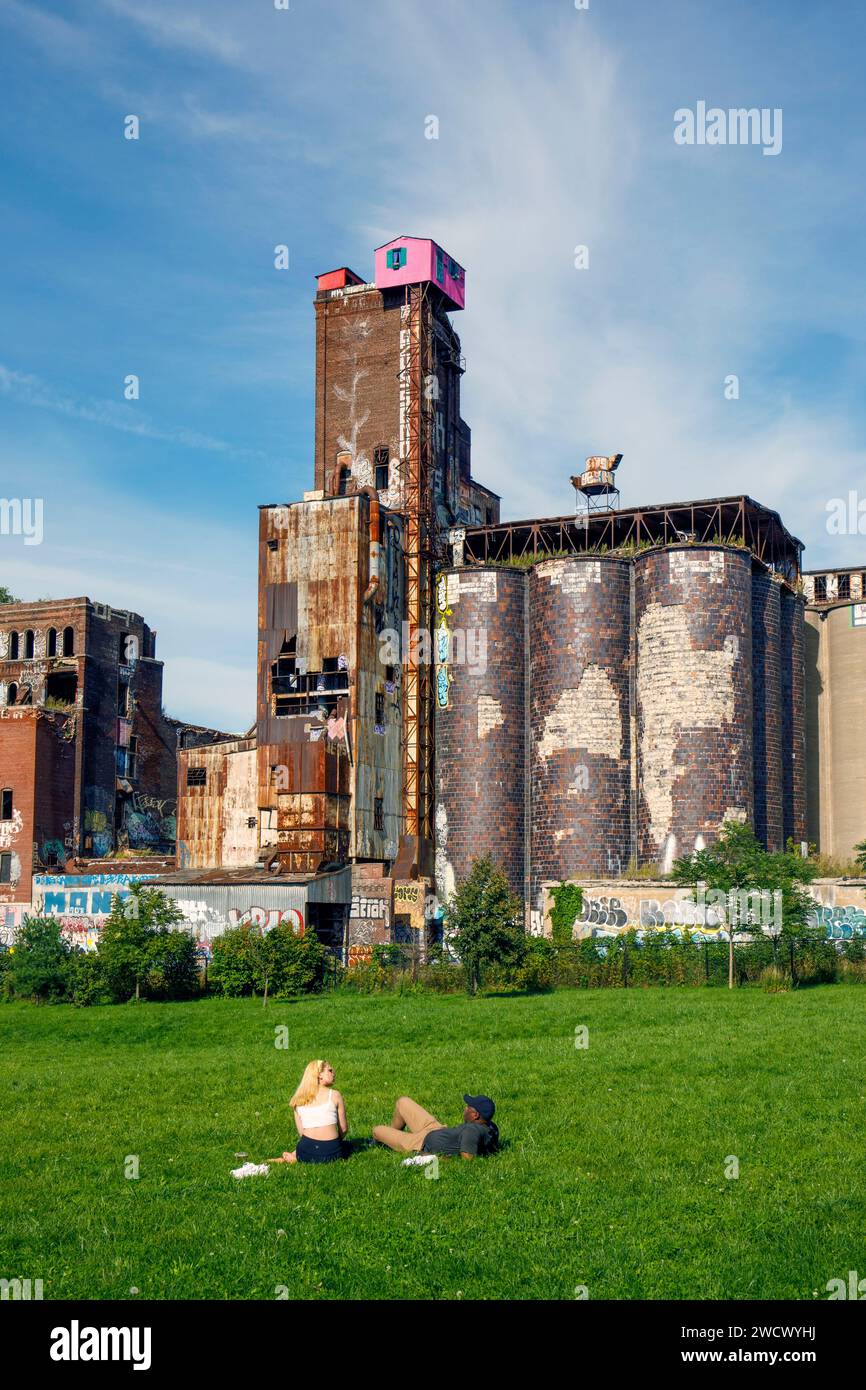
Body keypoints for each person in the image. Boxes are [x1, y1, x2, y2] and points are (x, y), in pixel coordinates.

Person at [372, 1093, 498, 1160]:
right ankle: (392, 1139)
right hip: (436, 1128)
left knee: (377, 1131)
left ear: (475, 1115)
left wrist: (437, 1158)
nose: (465, 1108)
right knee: (403, 1102)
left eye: (468, 1107)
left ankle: (386, 1141)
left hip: (420, 1143)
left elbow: (468, 1159)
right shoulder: (490, 1127)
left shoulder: (472, 1131)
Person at [268, 1059, 348, 1164]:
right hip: (332, 1154)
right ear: (319, 1075)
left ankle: (293, 1156)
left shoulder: (297, 1100)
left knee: (311, 1146)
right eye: (330, 1070)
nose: (334, 1073)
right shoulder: (335, 1095)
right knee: (348, 1145)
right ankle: (293, 1156)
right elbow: (344, 1129)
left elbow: (302, 1134)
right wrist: (335, 1143)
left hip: (305, 1152)